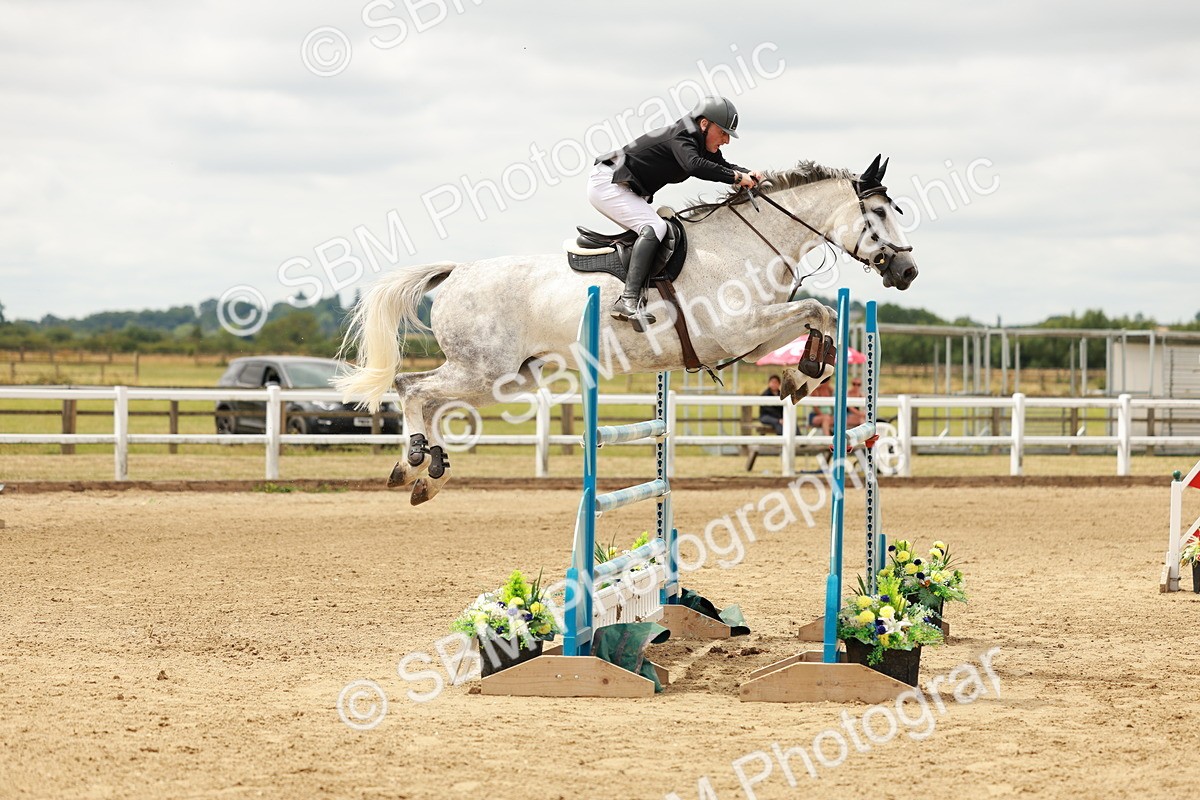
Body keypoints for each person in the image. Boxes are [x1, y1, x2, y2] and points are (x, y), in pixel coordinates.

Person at [587, 96, 764, 328]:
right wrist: (737, 177)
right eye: (723, 133)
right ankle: (628, 299)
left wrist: (748, 173)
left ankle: (640, 293)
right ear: (704, 124)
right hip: (608, 183)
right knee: (655, 227)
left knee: (659, 228)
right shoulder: (681, 137)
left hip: (622, 187)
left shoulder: (698, 141)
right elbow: (694, 165)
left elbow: (723, 166)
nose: (727, 140)